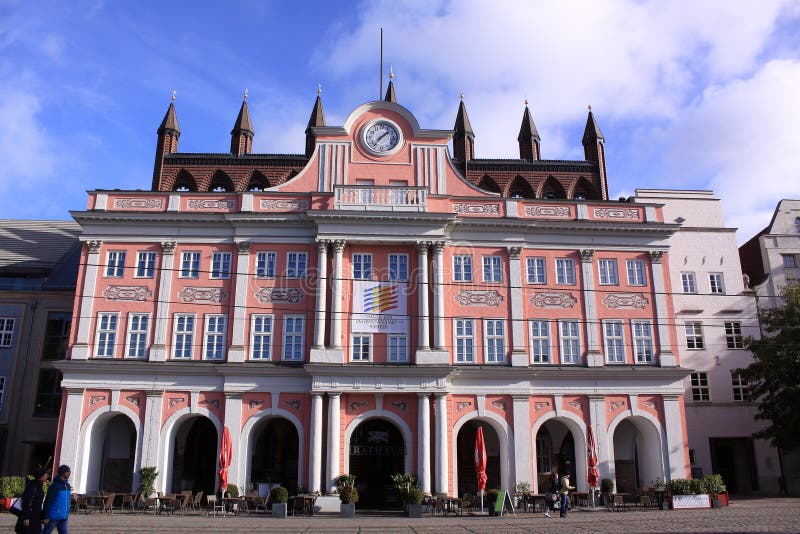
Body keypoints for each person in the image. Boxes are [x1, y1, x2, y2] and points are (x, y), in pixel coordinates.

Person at [15, 467, 49, 534]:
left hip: (36, 518)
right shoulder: (32, 486)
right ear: (41, 476)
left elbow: (39, 504)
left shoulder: (39, 486)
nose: (47, 476)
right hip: (29, 518)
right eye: (46, 474)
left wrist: (42, 517)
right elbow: (26, 502)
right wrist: (26, 518)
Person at [41, 465, 71, 534]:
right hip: (53, 517)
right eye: (67, 471)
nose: (69, 473)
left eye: (69, 471)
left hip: (64, 517)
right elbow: (48, 501)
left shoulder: (67, 485)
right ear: (62, 473)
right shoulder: (55, 486)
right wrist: (45, 516)